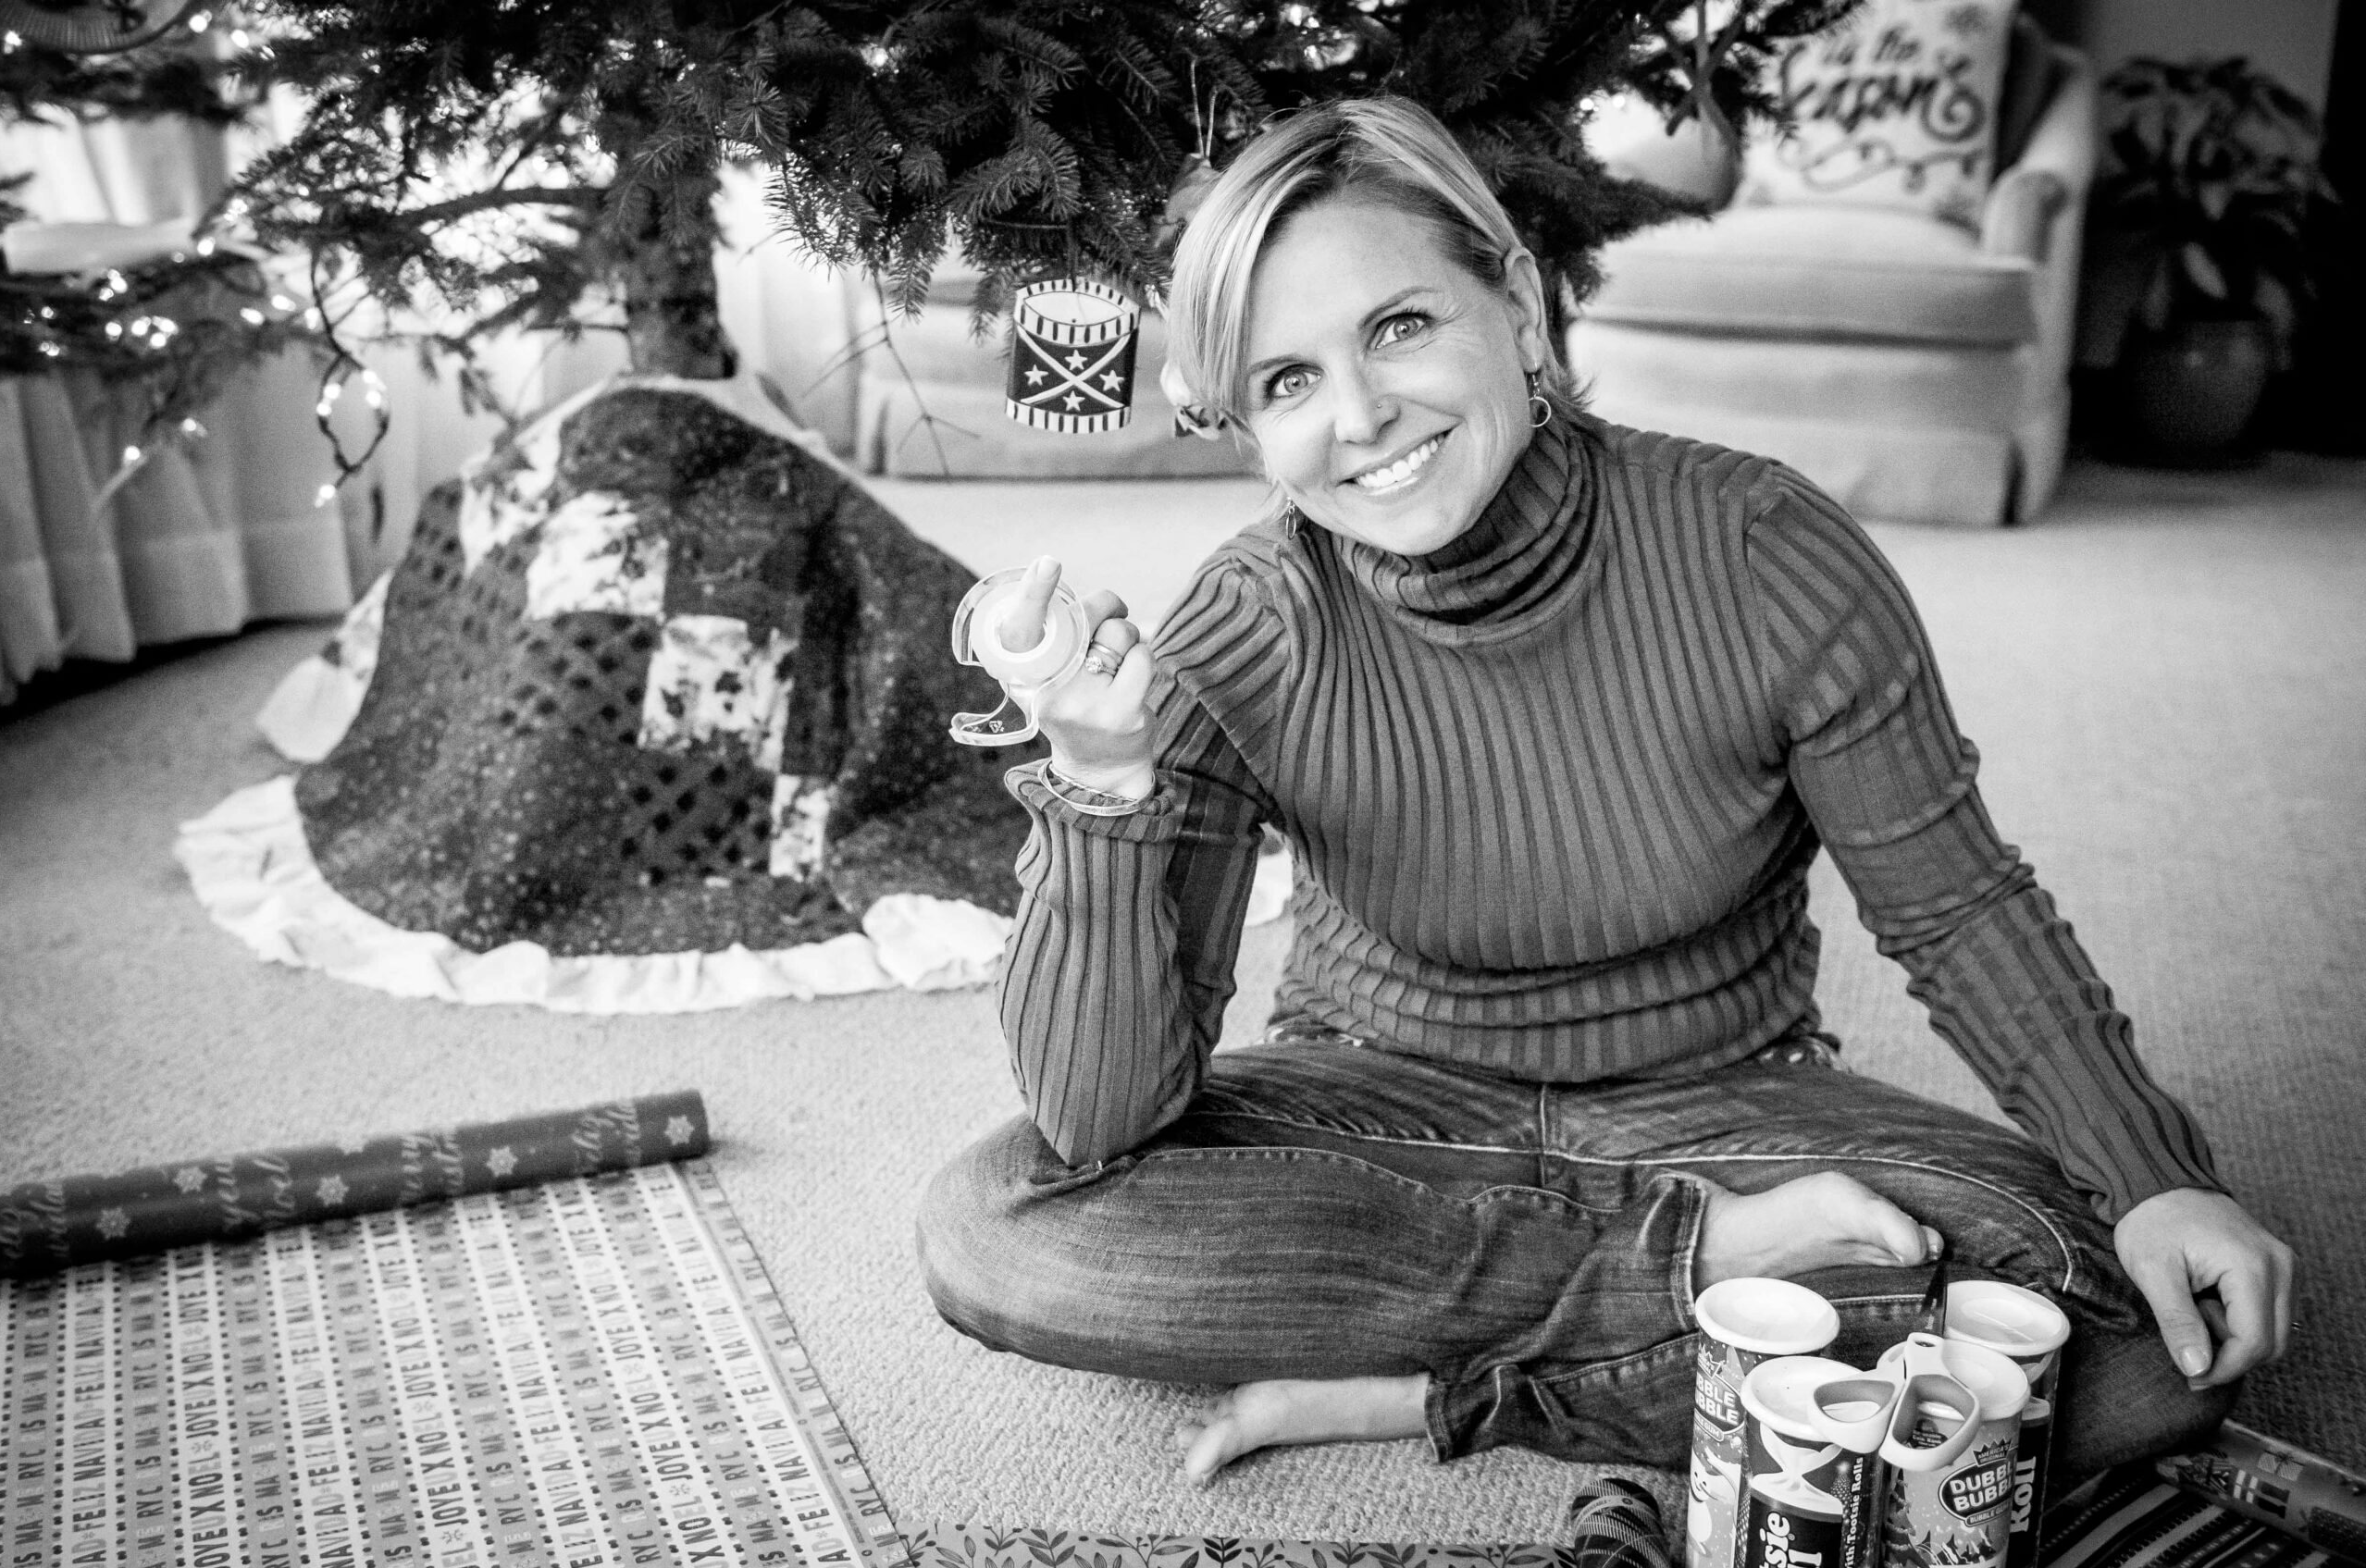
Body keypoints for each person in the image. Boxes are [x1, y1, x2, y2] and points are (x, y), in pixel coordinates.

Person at [915, 97, 2294, 1488]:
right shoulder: (1249, 626)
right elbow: (1102, 1120)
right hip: (1398, 1132)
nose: (1361, 414)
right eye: (1287, 382)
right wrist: (1100, 778)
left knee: (2128, 1334)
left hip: (1719, 1106)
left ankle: (1434, 1384)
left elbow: (1960, 913)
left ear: (1514, 304)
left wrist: (2154, 1170)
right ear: (1253, 429)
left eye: (1400, 326)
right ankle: (1684, 1277)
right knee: (999, 1218)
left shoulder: (1762, 553)